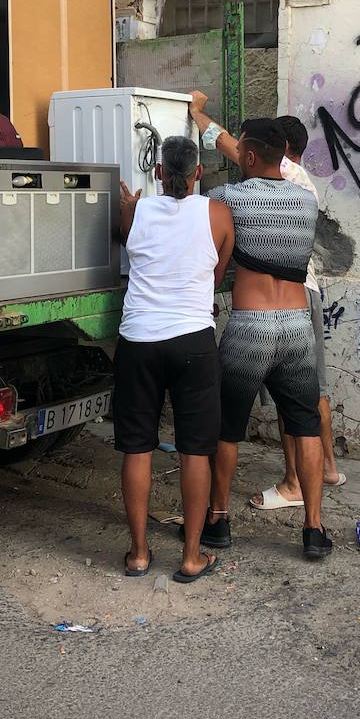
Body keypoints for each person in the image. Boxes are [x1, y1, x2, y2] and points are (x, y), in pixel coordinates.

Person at [186, 93, 344, 509]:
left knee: (227, 429)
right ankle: (314, 526)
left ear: (254, 155)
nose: (238, 153)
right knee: (304, 420)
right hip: (295, 321)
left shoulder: (231, 199)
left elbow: (203, 228)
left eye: (243, 149)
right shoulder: (307, 198)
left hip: (252, 325)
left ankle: (217, 518)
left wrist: (199, 117)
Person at [116, 136, 235, 583]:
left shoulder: (135, 211)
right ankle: (190, 557)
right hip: (192, 342)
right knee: (195, 450)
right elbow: (217, 272)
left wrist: (129, 205)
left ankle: (139, 554)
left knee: (137, 446)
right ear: (199, 172)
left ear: (160, 173)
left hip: (138, 341)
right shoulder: (219, 214)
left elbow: (126, 241)